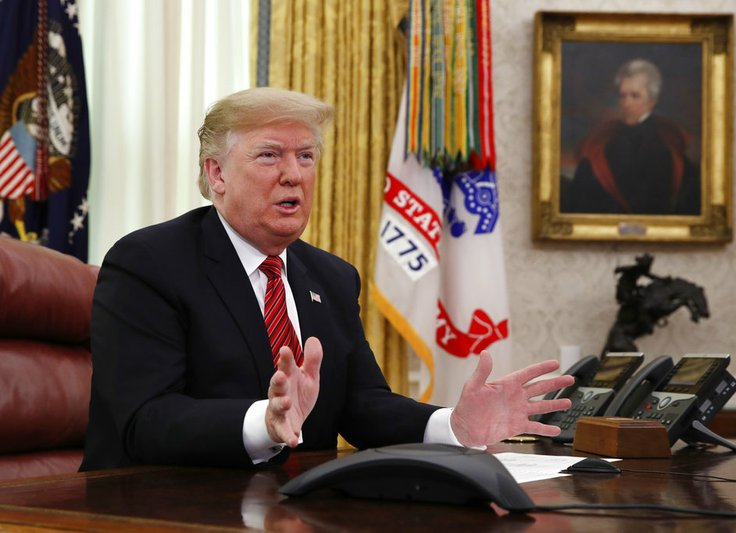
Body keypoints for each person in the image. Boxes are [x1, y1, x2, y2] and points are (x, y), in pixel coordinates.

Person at [80, 87, 574, 471]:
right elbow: (144, 421)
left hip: (288, 508)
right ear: (217, 174)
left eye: (306, 156)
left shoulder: (331, 277)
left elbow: (362, 405)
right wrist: (264, 423)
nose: (294, 174)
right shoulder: (149, 262)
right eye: (270, 155)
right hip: (155, 506)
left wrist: (452, 424)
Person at [561, 59, 700, 215]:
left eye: (635, 96)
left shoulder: (669, 144)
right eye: (622, 96)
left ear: (652, 101)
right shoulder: (602, 139)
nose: (626, 104)